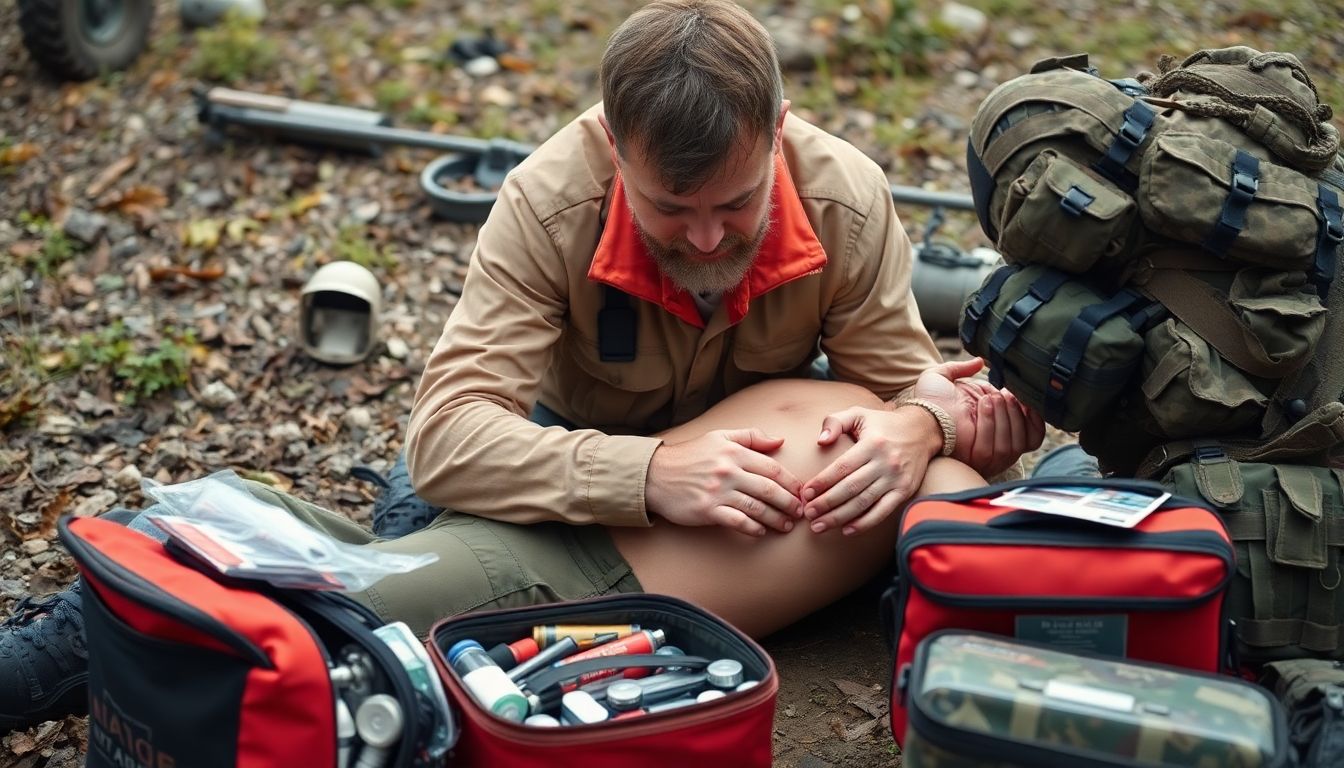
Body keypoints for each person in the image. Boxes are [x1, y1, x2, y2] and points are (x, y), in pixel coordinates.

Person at [0, 0, 1043, 733]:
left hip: (744, 465)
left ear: (778, 135)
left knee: (442, 623)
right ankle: (88, 631)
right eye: (670, 211)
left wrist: (925, 427)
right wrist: (650, 478)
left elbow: (908, 386)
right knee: (392, 565)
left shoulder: (844, 197)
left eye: (734, 204)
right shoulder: (551, 199)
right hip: (563, 452)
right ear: (612, 143)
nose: (710, 238)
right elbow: (452, 434)